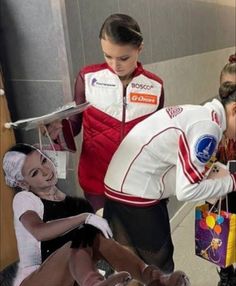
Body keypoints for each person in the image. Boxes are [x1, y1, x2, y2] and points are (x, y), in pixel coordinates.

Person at [103, 81, 236, 286]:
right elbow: (187, 192)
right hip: (135, 198)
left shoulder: (203, 115)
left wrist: (215, 174)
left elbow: (182, 171)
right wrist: (232, 181)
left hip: (123, 189)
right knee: (160, 272)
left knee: (159, 264)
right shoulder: (209, 130)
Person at [2, 143, 190, 286]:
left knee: (92, 236)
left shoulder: (62, 198)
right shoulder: (24, 198)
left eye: (43, 160)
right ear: (22, 182)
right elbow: (39, 231)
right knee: (82, 234)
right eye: (34, 173)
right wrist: (84, 217)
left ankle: (159, 285)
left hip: (68, 280)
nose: (46, 171)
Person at [46, 13, 164, 212]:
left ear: (139, 49)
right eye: (107, 56)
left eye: (123, 58)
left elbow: (159, 136)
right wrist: (57, 129)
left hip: (138, 182)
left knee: (134, 242)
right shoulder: (88, 78)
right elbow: (73, 127)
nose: (115, 65)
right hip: (96, 182)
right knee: (106, 239)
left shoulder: (155, 86)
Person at [213, 54, 236, 286]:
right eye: (226, 88)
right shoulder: (214, 117)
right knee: (220, 232)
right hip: (218, 189)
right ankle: (225, 276)